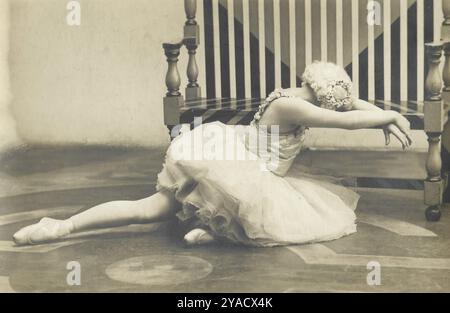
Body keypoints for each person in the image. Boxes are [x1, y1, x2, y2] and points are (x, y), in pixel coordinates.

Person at [13, 61, 412, 247]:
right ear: (326, 97)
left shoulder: (299, 97)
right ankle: (61, 226)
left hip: (240, 165)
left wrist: (382, 116)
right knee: (152, 210)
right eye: (337, 101)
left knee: (160, 209)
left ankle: (217, 229)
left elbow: (351, 106)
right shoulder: (293, 107)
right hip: (240, 171)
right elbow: (345, 120)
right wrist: (388, 115)